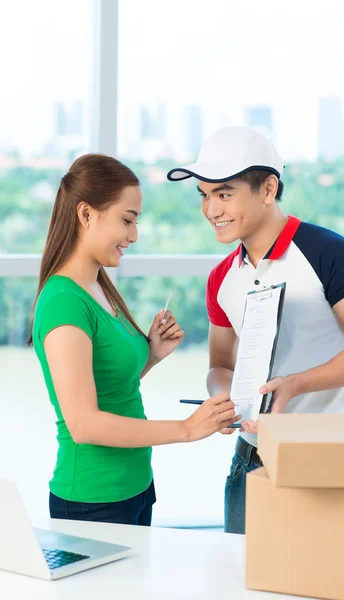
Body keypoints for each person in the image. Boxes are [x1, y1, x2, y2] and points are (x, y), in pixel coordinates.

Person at [167, 126, 344, 534]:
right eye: (203, 195)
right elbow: (220, 364)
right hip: (251, 457)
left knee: (329, 589)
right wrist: (225, 399)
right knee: (242, 583)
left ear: (268, 188)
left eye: (224, 193)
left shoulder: (330, 253)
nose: (210, 210)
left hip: (330, 459)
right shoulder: (221, 277)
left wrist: (294, 384)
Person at [27, 153, 240, 526]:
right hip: (93, 500)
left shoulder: (97, 286)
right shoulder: (64, 303)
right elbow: (84, 423)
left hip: (135, 487)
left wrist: (152, 356)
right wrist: (187, 429)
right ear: (86, 215)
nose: (133, 236)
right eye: (127, 220)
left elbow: (107, 388)